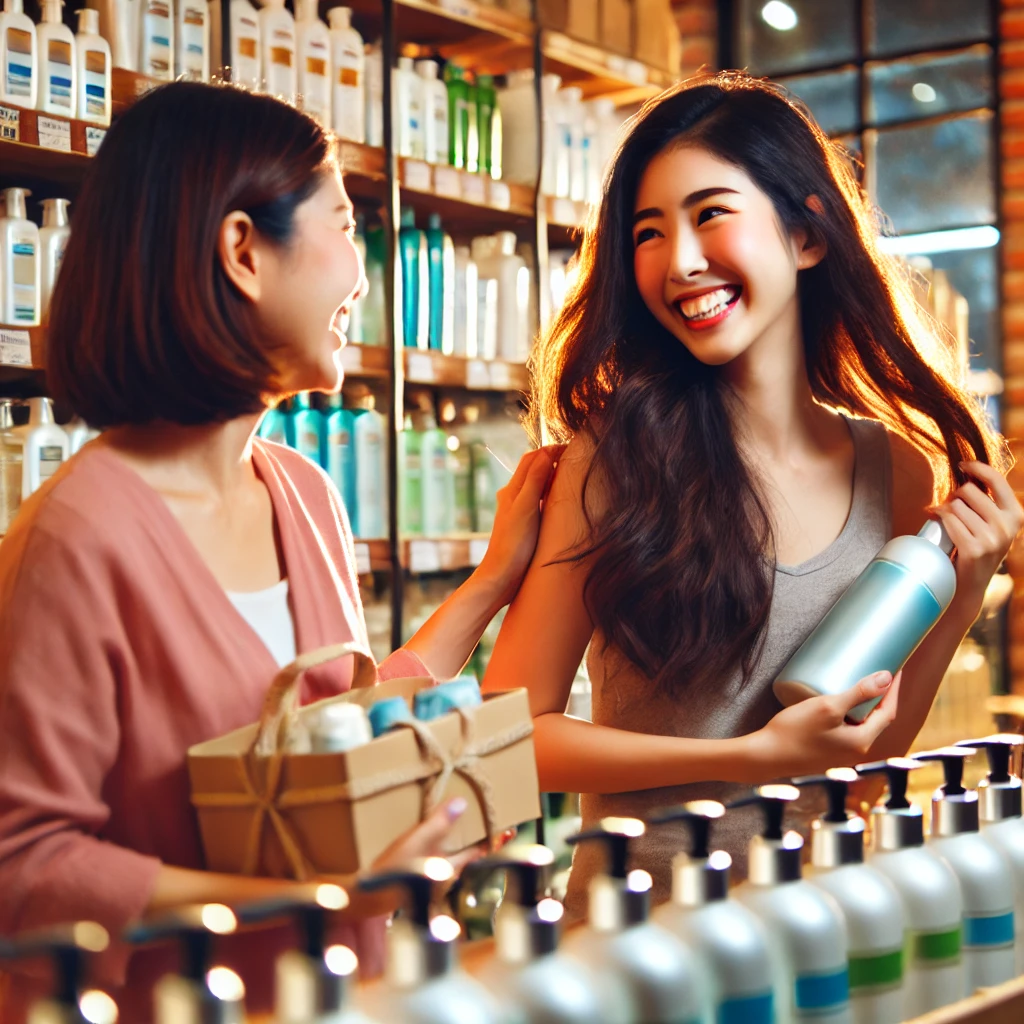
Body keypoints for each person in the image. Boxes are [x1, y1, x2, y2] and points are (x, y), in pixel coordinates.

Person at [0, 82, 560, 1021]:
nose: (361, 276)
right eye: (344, 226)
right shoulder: (77, 536)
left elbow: (333, 727)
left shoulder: (301, 491)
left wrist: (495, 581)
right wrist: (303, 906)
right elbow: (25, 861)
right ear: (243, 252)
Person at [482, 72, 1024, 916]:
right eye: (648, 232)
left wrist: (958, 594)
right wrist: (750, 760)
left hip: (820, 927)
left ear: (807, 235)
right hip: (642, 940)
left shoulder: (900, 472)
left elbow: (864, 762)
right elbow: (508, 738)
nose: (682, 260)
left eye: (710, 213)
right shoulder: (615, 459)